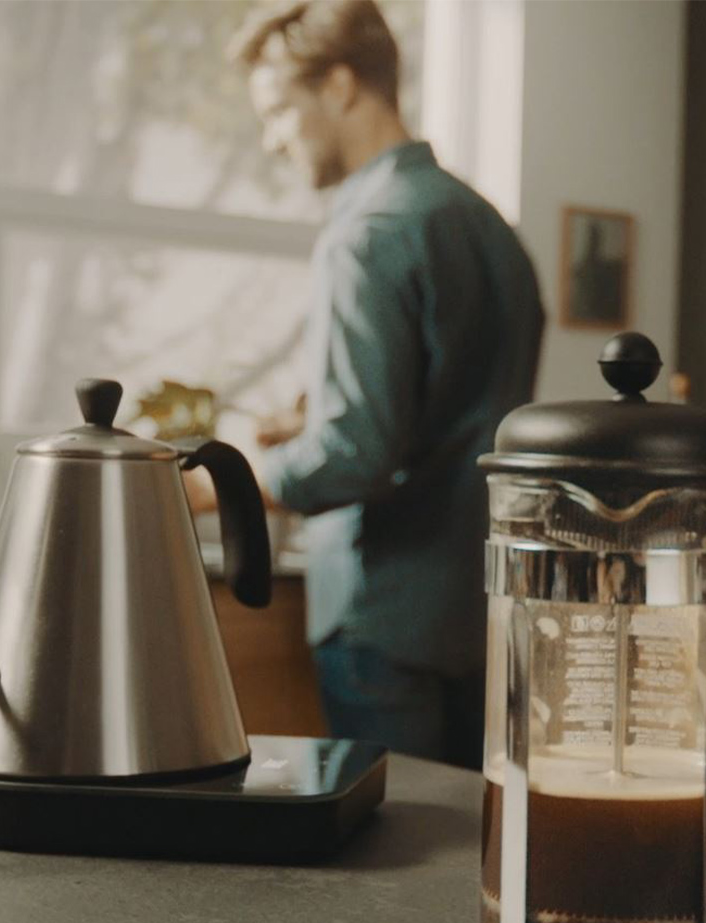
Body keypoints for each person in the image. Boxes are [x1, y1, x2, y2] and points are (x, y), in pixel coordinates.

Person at [214, 0, 544, 769]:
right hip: (478, 613)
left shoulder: (366, 233)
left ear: (338, 85)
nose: (272, 140)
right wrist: (315, 418)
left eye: (278, 112)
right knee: (470, 853)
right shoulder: (490, 229)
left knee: (390, 868)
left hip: (382, 616)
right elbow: (454, 412)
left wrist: (226, 481)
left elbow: (359, 452)